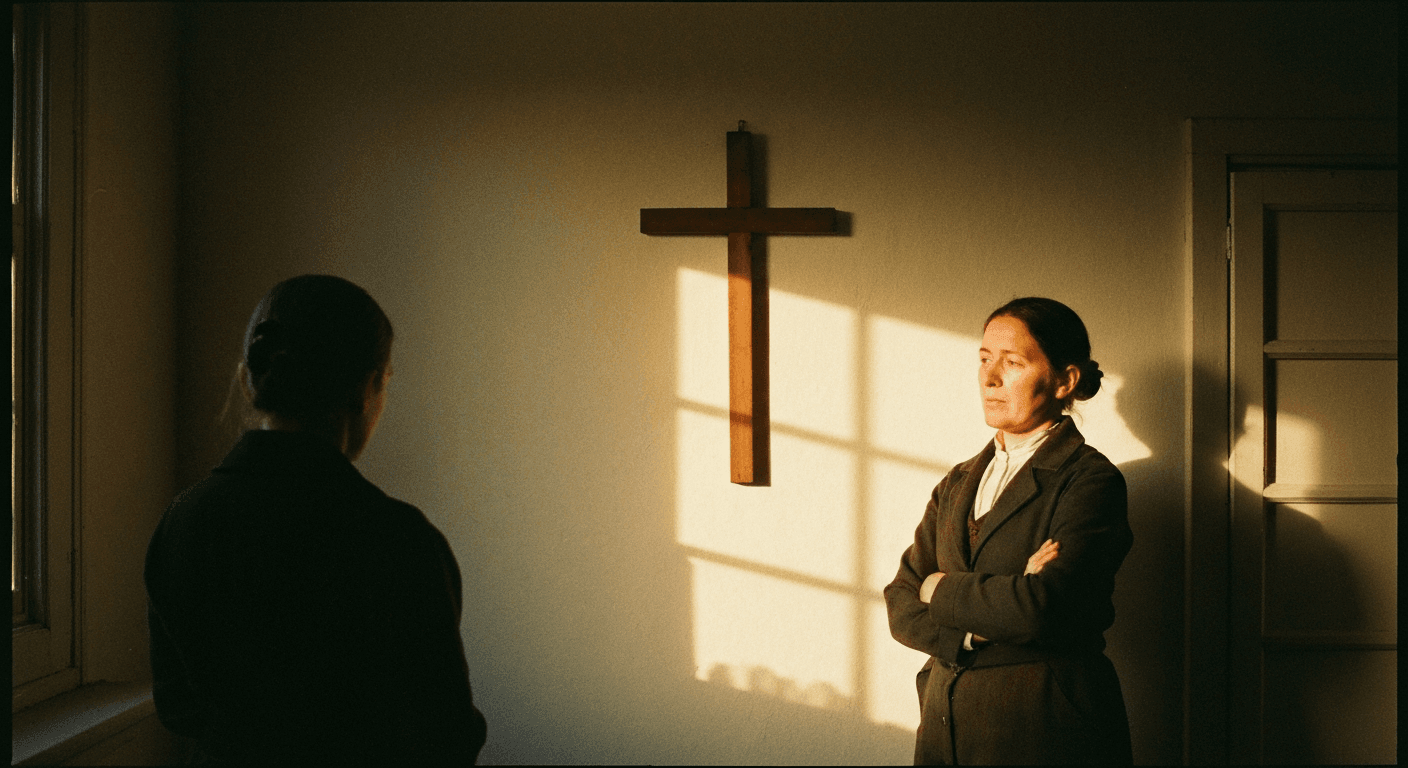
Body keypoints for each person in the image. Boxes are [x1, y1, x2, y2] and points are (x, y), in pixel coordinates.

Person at [144, 275, 487, 765]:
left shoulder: (181, 523)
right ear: (369, 386)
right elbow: (446, 735)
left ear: (248, 378)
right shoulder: (398, 540)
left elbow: (177, 707)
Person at [884, 296, 1133, 765]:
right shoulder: (957, 482)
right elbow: (900, 601)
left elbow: (1043, 608)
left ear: (1065, 380)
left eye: (1012, 362)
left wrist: (939, 588)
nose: (990, 378)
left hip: (1045, 728)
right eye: (983, 359)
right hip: (945, 728)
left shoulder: (1091, 481)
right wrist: (979, 625)